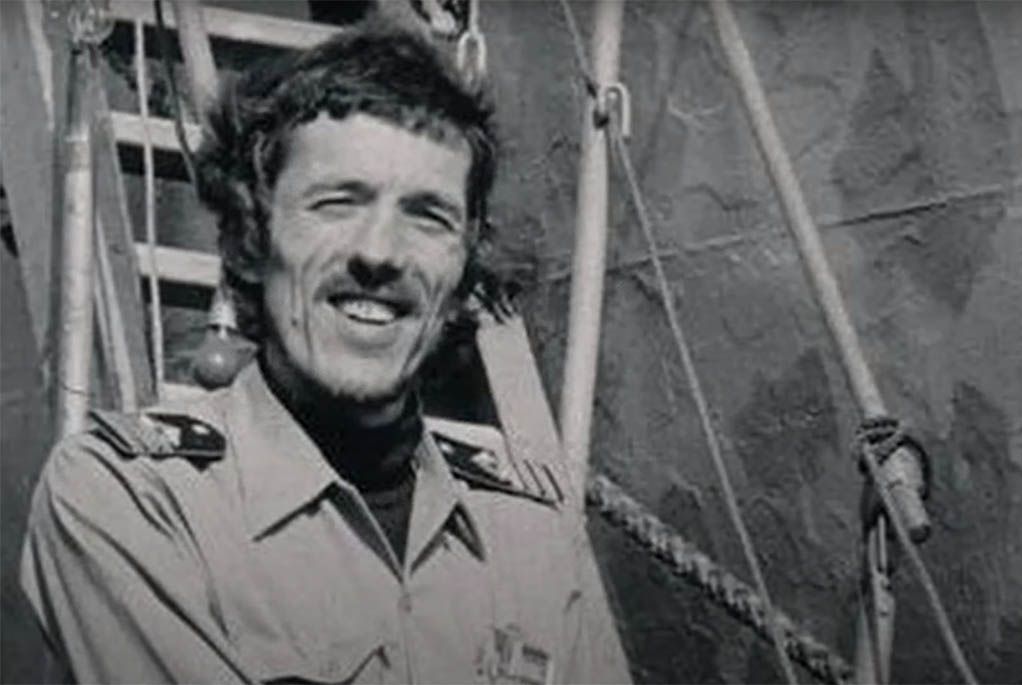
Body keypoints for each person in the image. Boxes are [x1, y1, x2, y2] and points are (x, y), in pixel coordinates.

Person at [20, 11, 631, 684]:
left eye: (428, 216)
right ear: (249, 239)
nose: (379, 253)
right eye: (337, 203)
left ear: (463, 273)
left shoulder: (534, 533)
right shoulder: (127, 498)